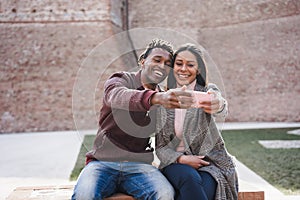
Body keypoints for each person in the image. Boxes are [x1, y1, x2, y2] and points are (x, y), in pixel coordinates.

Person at [71, 39, 195, 200]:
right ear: (143, 61)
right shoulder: (121, 80)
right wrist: (155, 98)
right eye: (157, 60)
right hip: (102, 163)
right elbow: (116, 96)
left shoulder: (166, 98)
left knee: (165, 194)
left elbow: (167, 139)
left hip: (139, 166)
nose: (162, 66)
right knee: (84, 195)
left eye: (167, 63)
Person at [155, 43, 238, 200]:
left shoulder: (207, 91)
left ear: (198, 69)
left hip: (209, 164)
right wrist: (181, 159)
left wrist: (217, 103)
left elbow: (219, 103)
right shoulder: (165, 99)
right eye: (179, 64)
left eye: (190, 65)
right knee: (190, 178)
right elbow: (160, 148)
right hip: (175, 163)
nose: (183, 69)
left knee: (203, 188)